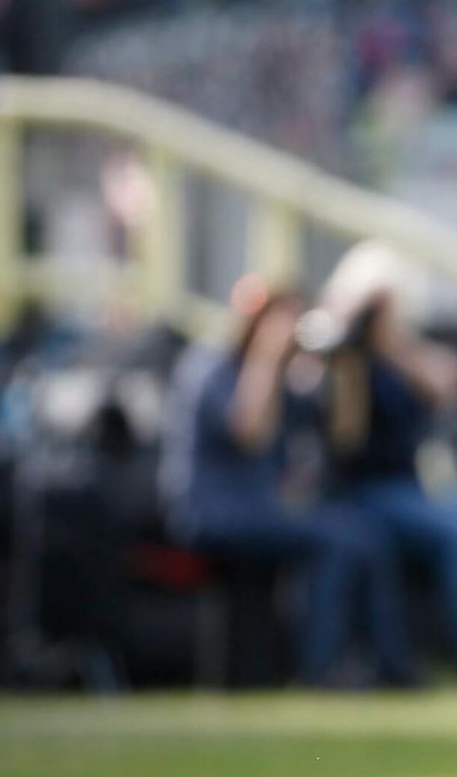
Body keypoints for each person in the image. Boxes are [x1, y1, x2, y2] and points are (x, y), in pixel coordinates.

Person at [158, 276, 415, 687]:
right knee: (340, 539)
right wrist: (267, 356)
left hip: (262, 506)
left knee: (363, 533)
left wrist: (345, 364)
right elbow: (250, 432)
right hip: (213, 511)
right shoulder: (210, 365)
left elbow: (344, 436)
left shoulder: (280, 375)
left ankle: (390, 667)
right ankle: (320, 669)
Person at [315, 249, 457, 687]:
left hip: (421, 484)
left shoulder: (400, 353)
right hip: (369, 489)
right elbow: (346, 436)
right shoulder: (342, 358)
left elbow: (449, 383)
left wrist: (389, 343)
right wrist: (354, 339)